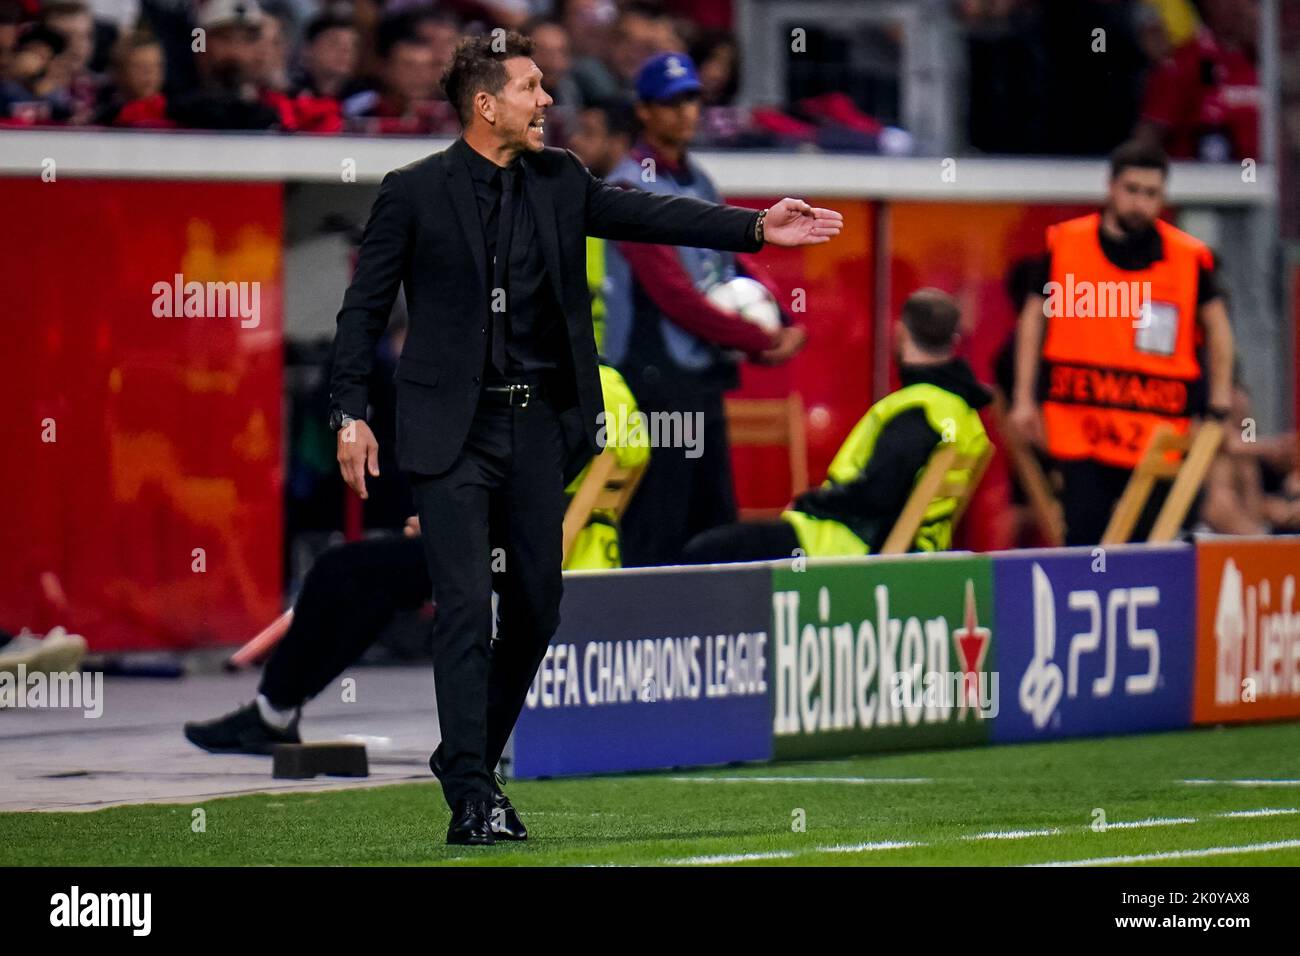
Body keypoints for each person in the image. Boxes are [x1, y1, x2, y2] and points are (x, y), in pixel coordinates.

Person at [326, 30, 841, 846]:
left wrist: (753, 229)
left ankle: (470, 760)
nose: (548, 102)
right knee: (464, 605)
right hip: (447, 430)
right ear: (487, 104)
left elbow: (646, 212)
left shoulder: (562, 180)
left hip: (537, 424)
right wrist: (350, 411)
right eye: (533, 87)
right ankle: (471, 790)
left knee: (535, 608)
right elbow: (361, 312)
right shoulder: (411, 192)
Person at [182, 363, 650, 841]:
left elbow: (549, 524)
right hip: (541, 547)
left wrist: (464, 524)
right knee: (364, 581)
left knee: (345, 572)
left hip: (521, 553)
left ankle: (282, 713)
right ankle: (278, 712)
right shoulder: (606, 393)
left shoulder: (548, 393)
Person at [604, 51, 806, 568]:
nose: (685, 111)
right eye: (671, 102)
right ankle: (647, 633)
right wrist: (760, 341)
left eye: (692, 98)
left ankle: (711, 634)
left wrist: (782, 318)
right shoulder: (628, 185)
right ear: (644, 111)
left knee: (715, 518)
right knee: (658, 521)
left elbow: (733, 259)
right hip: (654, 385)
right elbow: (675, 297)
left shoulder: (700, 182)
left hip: (701, 380)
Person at [1008, 139, 1234, 546]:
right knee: (1084, 540)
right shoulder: (1065, 245)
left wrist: (1218, 406)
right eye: (1132, 190)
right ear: (1111, 188)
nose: (1140, 203)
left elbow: (1218, 330)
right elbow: (1032, 320)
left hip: (1156, 429)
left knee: (1156, 545)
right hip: (1082, 426)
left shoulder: (1188, 256)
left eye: (1152, 194)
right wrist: (1024, 398)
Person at [683, 289, 990, 564]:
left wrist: (808, 502)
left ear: (899, 333)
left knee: (706, 551)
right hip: (909, 551)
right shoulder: (966, 415)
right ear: (954, 341)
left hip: (842, 547)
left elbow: (874, 495)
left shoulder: (915, 410)